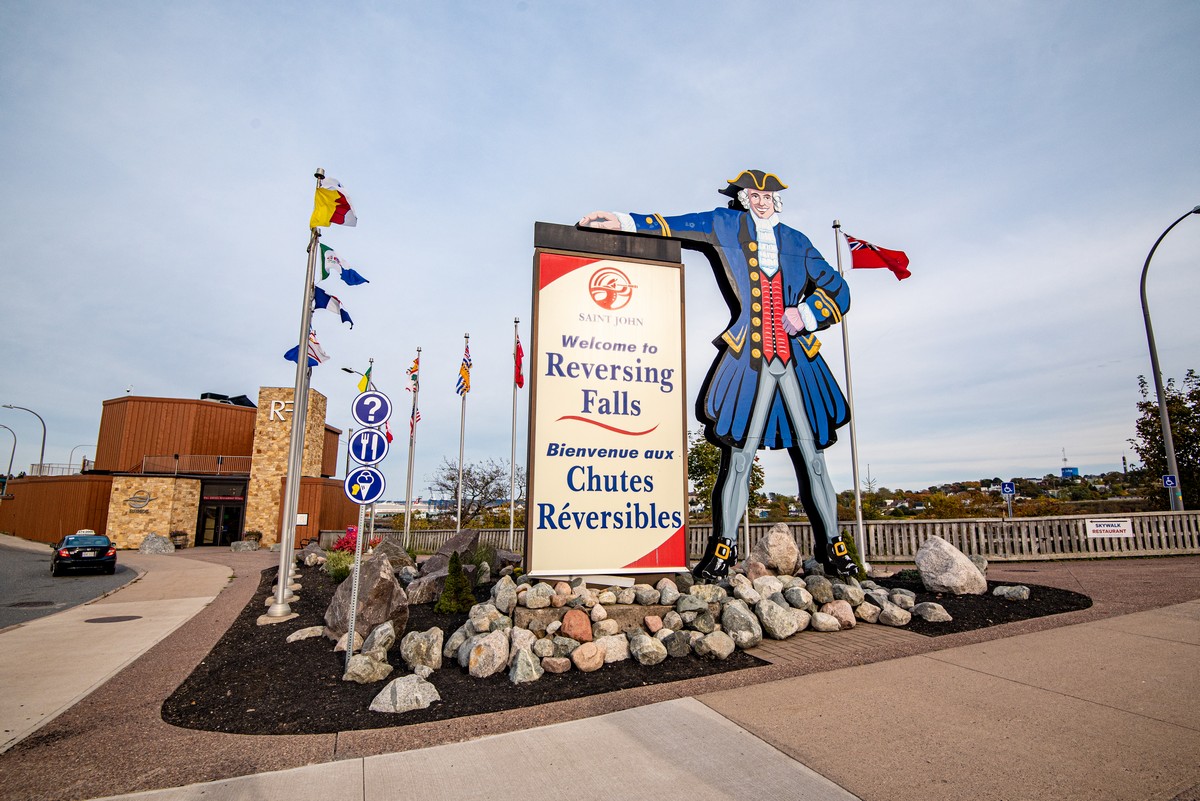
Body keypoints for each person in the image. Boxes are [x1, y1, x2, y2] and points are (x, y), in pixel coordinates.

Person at [579, 169, 857, 579]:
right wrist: (623, 220)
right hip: (749, 359)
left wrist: (808, 314)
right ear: (743, 197)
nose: (762, 199)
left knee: (813, 456)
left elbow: (839, 290)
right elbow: (677, 225)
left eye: (768, 194)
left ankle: (835, 546)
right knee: (739, 459)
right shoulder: (724, 224)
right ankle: (723, 549)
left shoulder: (797, 241)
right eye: (754, 193)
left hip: (798, 359)